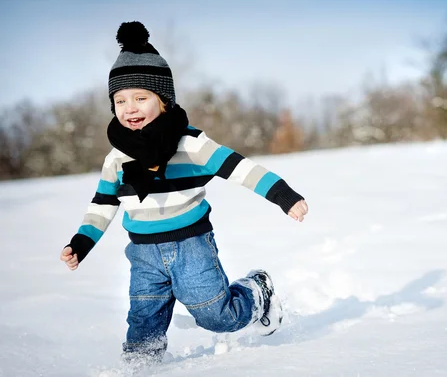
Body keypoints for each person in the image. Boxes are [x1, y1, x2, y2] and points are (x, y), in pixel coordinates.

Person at [59, 21, 308, 363]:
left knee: (218, 317)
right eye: (120, 100)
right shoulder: (117, 157)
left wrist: (284, 195)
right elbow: (103, 204)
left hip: (191, 246)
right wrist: (81, 242)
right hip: (143, 253)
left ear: (163, 100)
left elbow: (240, 168)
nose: (129, 107)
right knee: (143, 323)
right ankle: (142, 365)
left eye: (140, 98)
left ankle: (257, 291)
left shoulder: (190, 144)